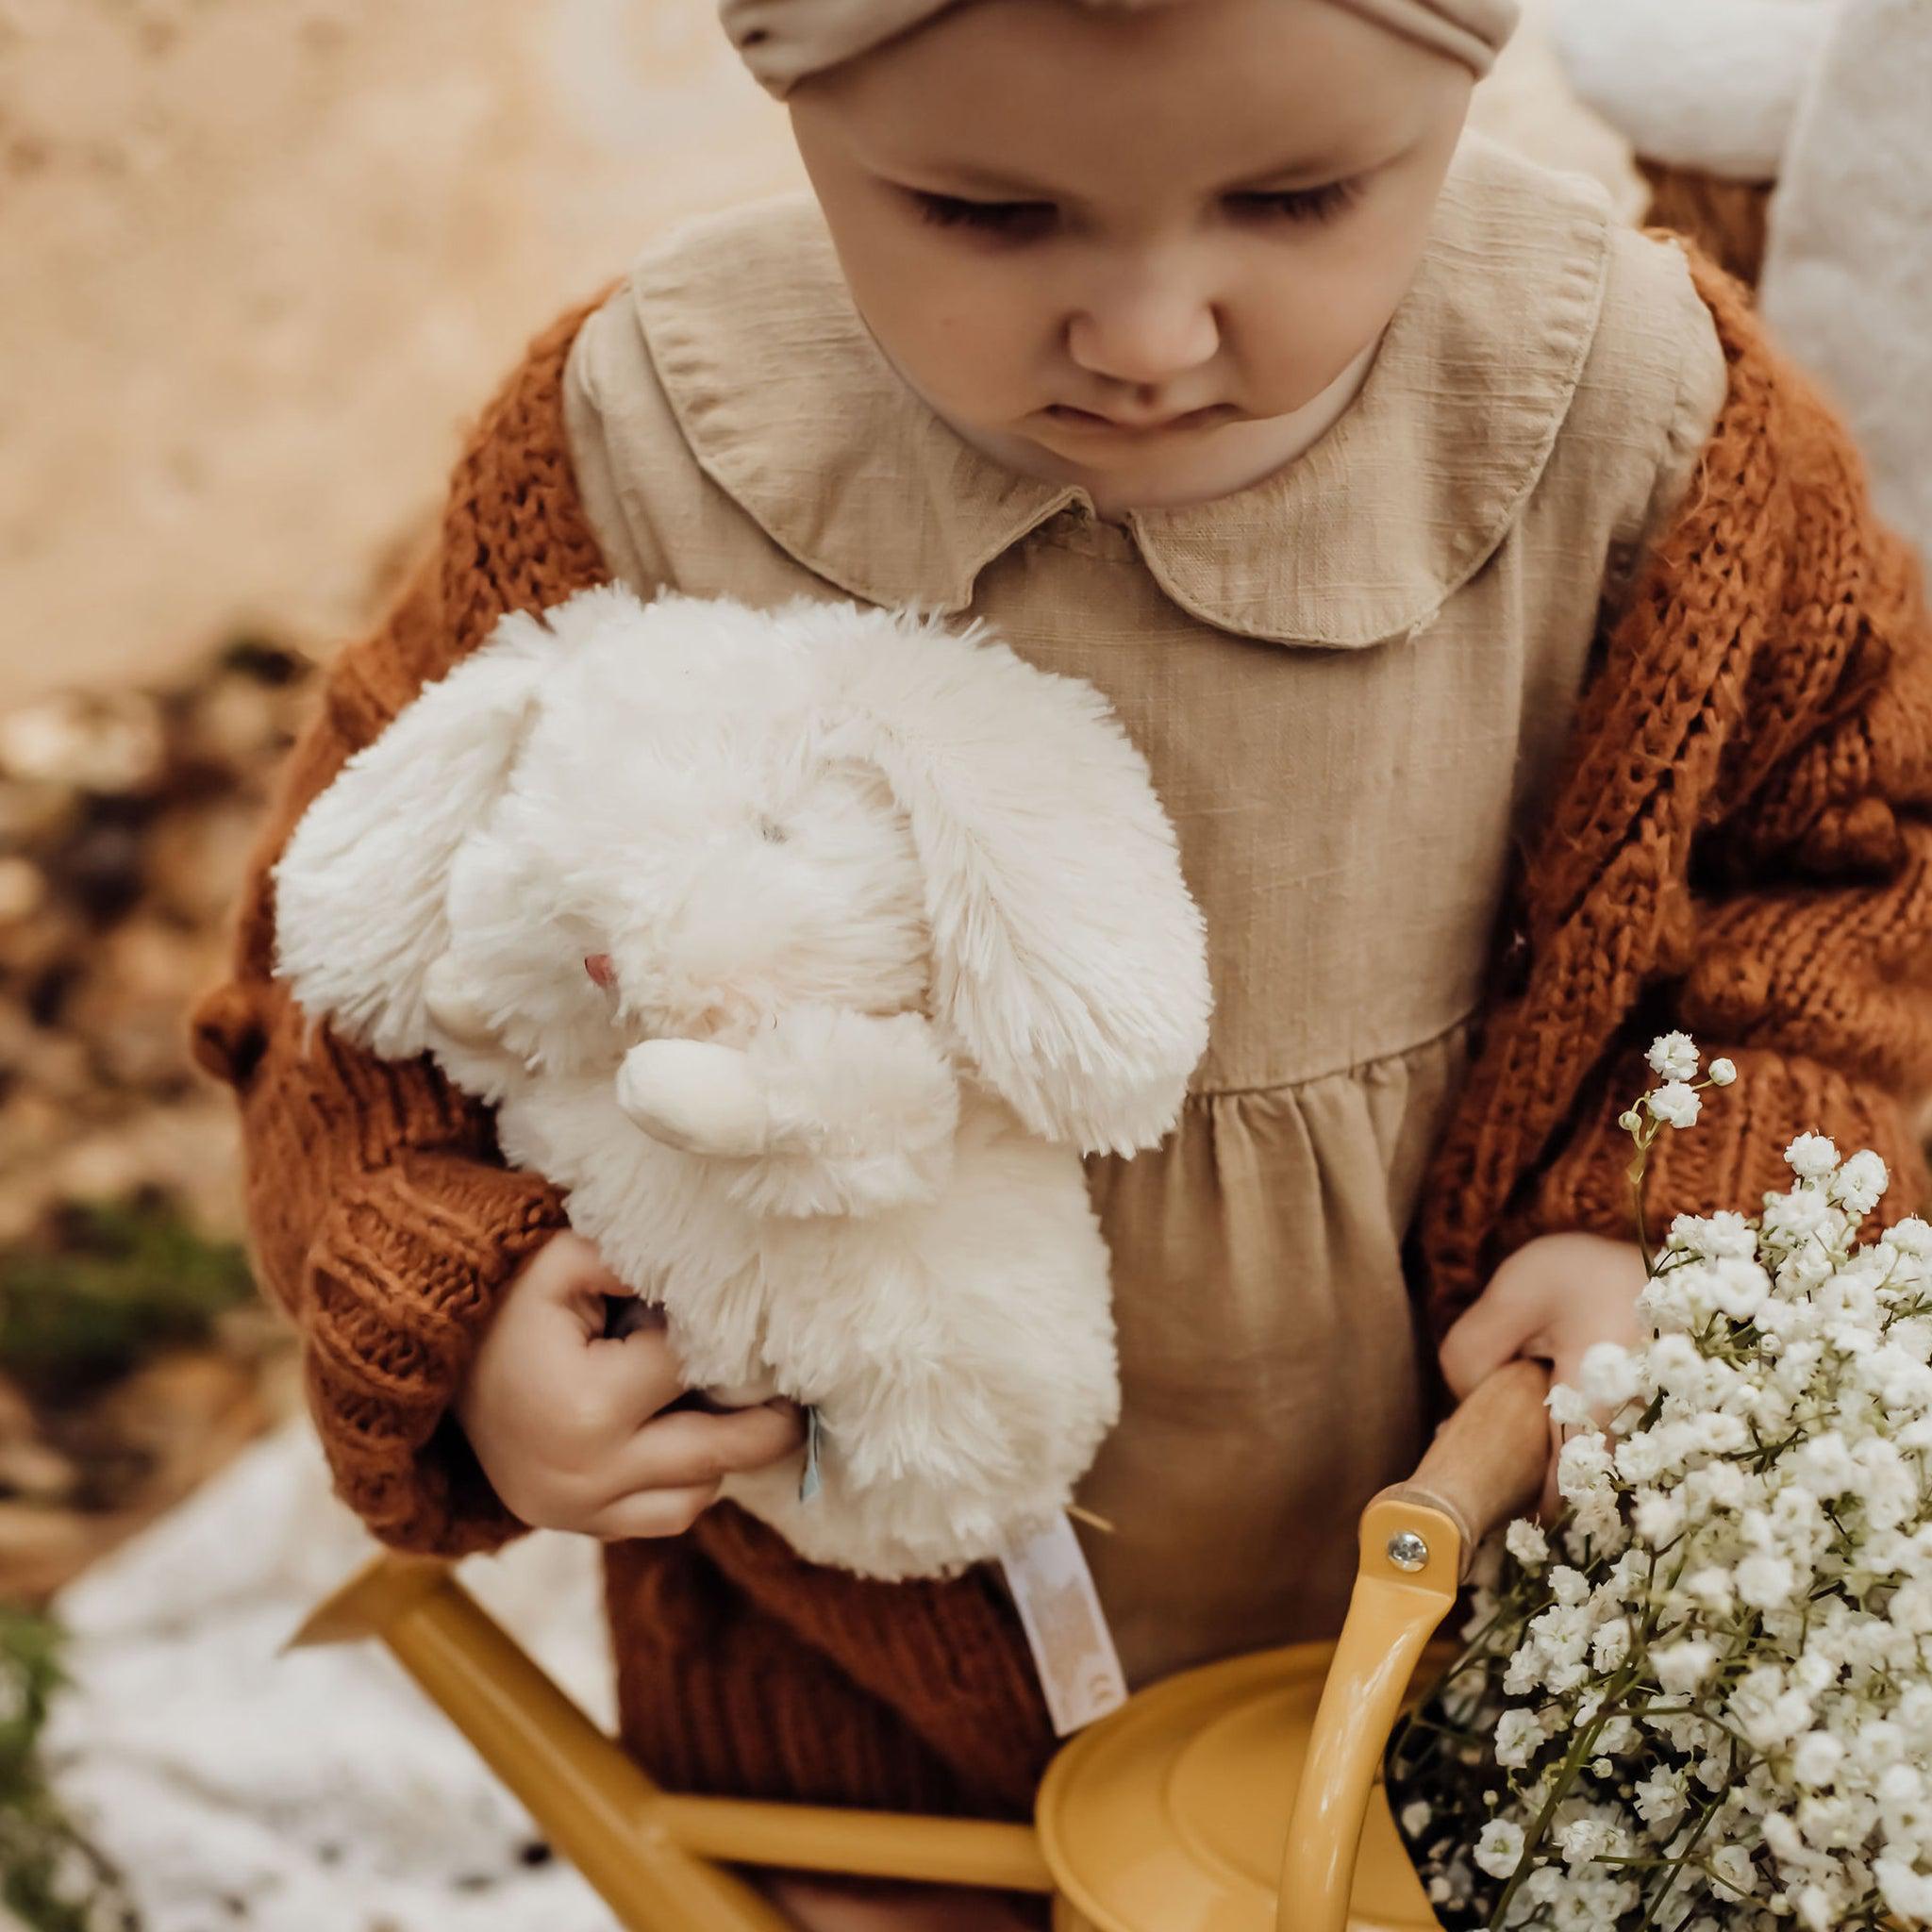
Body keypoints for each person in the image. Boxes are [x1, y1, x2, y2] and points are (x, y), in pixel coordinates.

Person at [186, 1, 1932, 1925]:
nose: (1150, 333)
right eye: (984, 214)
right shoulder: (645, 443)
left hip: (1499, 1645)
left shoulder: (1626, 409)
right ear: (795, 94)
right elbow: (336, 974)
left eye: (1294, 193)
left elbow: (1848, 861)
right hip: (857, 1683)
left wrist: (1671, 1215)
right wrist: (469, 1308)